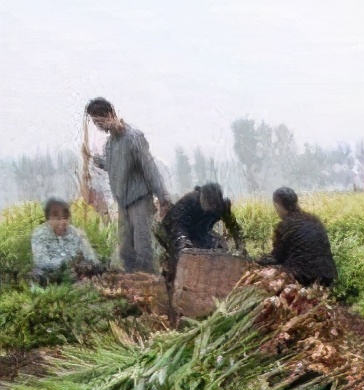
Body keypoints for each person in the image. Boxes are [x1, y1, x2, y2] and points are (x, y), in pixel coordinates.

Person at [85, 98, 171, 272]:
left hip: (139, 200)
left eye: (98, 121)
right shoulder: (110, 143)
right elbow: (111, 165)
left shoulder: (133, 137)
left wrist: (163, 197)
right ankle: (133, 285)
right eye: (94, 123)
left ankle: (151, 285)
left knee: (143, 247)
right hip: (123, 203)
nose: (98, 126)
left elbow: (150, 168)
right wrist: (91, 158)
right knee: (125, 250)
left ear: (109, 114)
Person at [156, 182, 246, 284]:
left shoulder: (222, 205)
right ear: (202, 196)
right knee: (182, 260)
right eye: (210, 202)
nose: (212, 205)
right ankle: (172, 281)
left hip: (201, 233)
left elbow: (233, 225)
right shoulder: (189, 200)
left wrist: (240, 244)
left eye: (214, 203)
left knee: (219, 249)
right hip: (175, 231)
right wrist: (183, 242)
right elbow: (178, 226)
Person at [256, 187, 338, 288]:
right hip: (328, 276)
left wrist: (260, 260)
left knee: (268, 276)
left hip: (302, 277)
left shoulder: (284, 226)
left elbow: (277, 258)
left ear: (278, 204)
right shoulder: (314, 220)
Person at [29, 198, 101, 286]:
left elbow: (92, 259)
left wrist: (83, 268)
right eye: (56, 216)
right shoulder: (39, 234)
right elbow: (41, 262)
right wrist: (67, 263)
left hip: (77, 277)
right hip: (49, 278)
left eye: (64, 216)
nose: (62, 221)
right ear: (48, 217)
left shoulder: (78, 234)